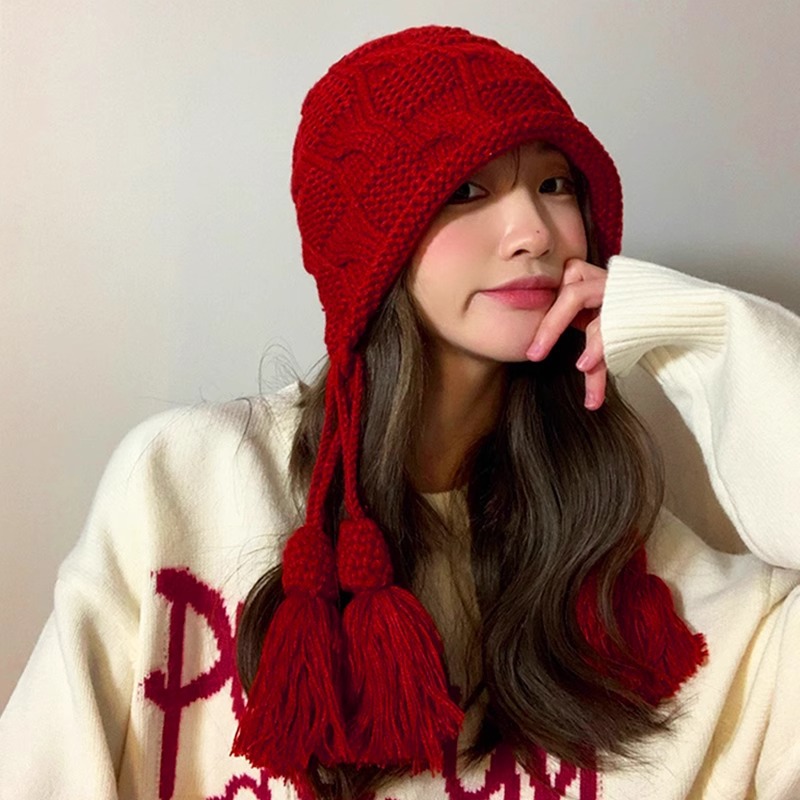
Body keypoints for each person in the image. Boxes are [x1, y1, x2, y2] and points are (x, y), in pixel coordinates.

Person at [1, 23, 799, 800]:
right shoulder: (187, 483)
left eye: (555, 184)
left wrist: (707, 329)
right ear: (367, 250)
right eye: (467, 190)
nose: (534, 232)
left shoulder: (630, 562)